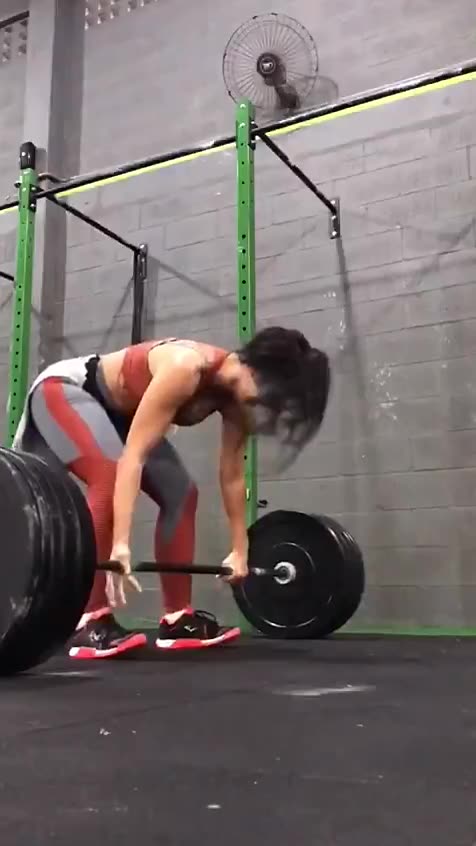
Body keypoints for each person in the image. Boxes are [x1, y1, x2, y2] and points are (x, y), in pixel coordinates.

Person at [12, 327, 331, 659]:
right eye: (274, 394)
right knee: (108, 473)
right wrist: (120, 544)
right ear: (256, 369)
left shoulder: (237, 398)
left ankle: (177, 618)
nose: (270, 405)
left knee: (181, 492)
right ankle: (89, 618)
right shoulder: (186, 366)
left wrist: (240, 550)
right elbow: (132, 458)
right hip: (69, 389)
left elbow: (233, 475)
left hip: (122, 414)